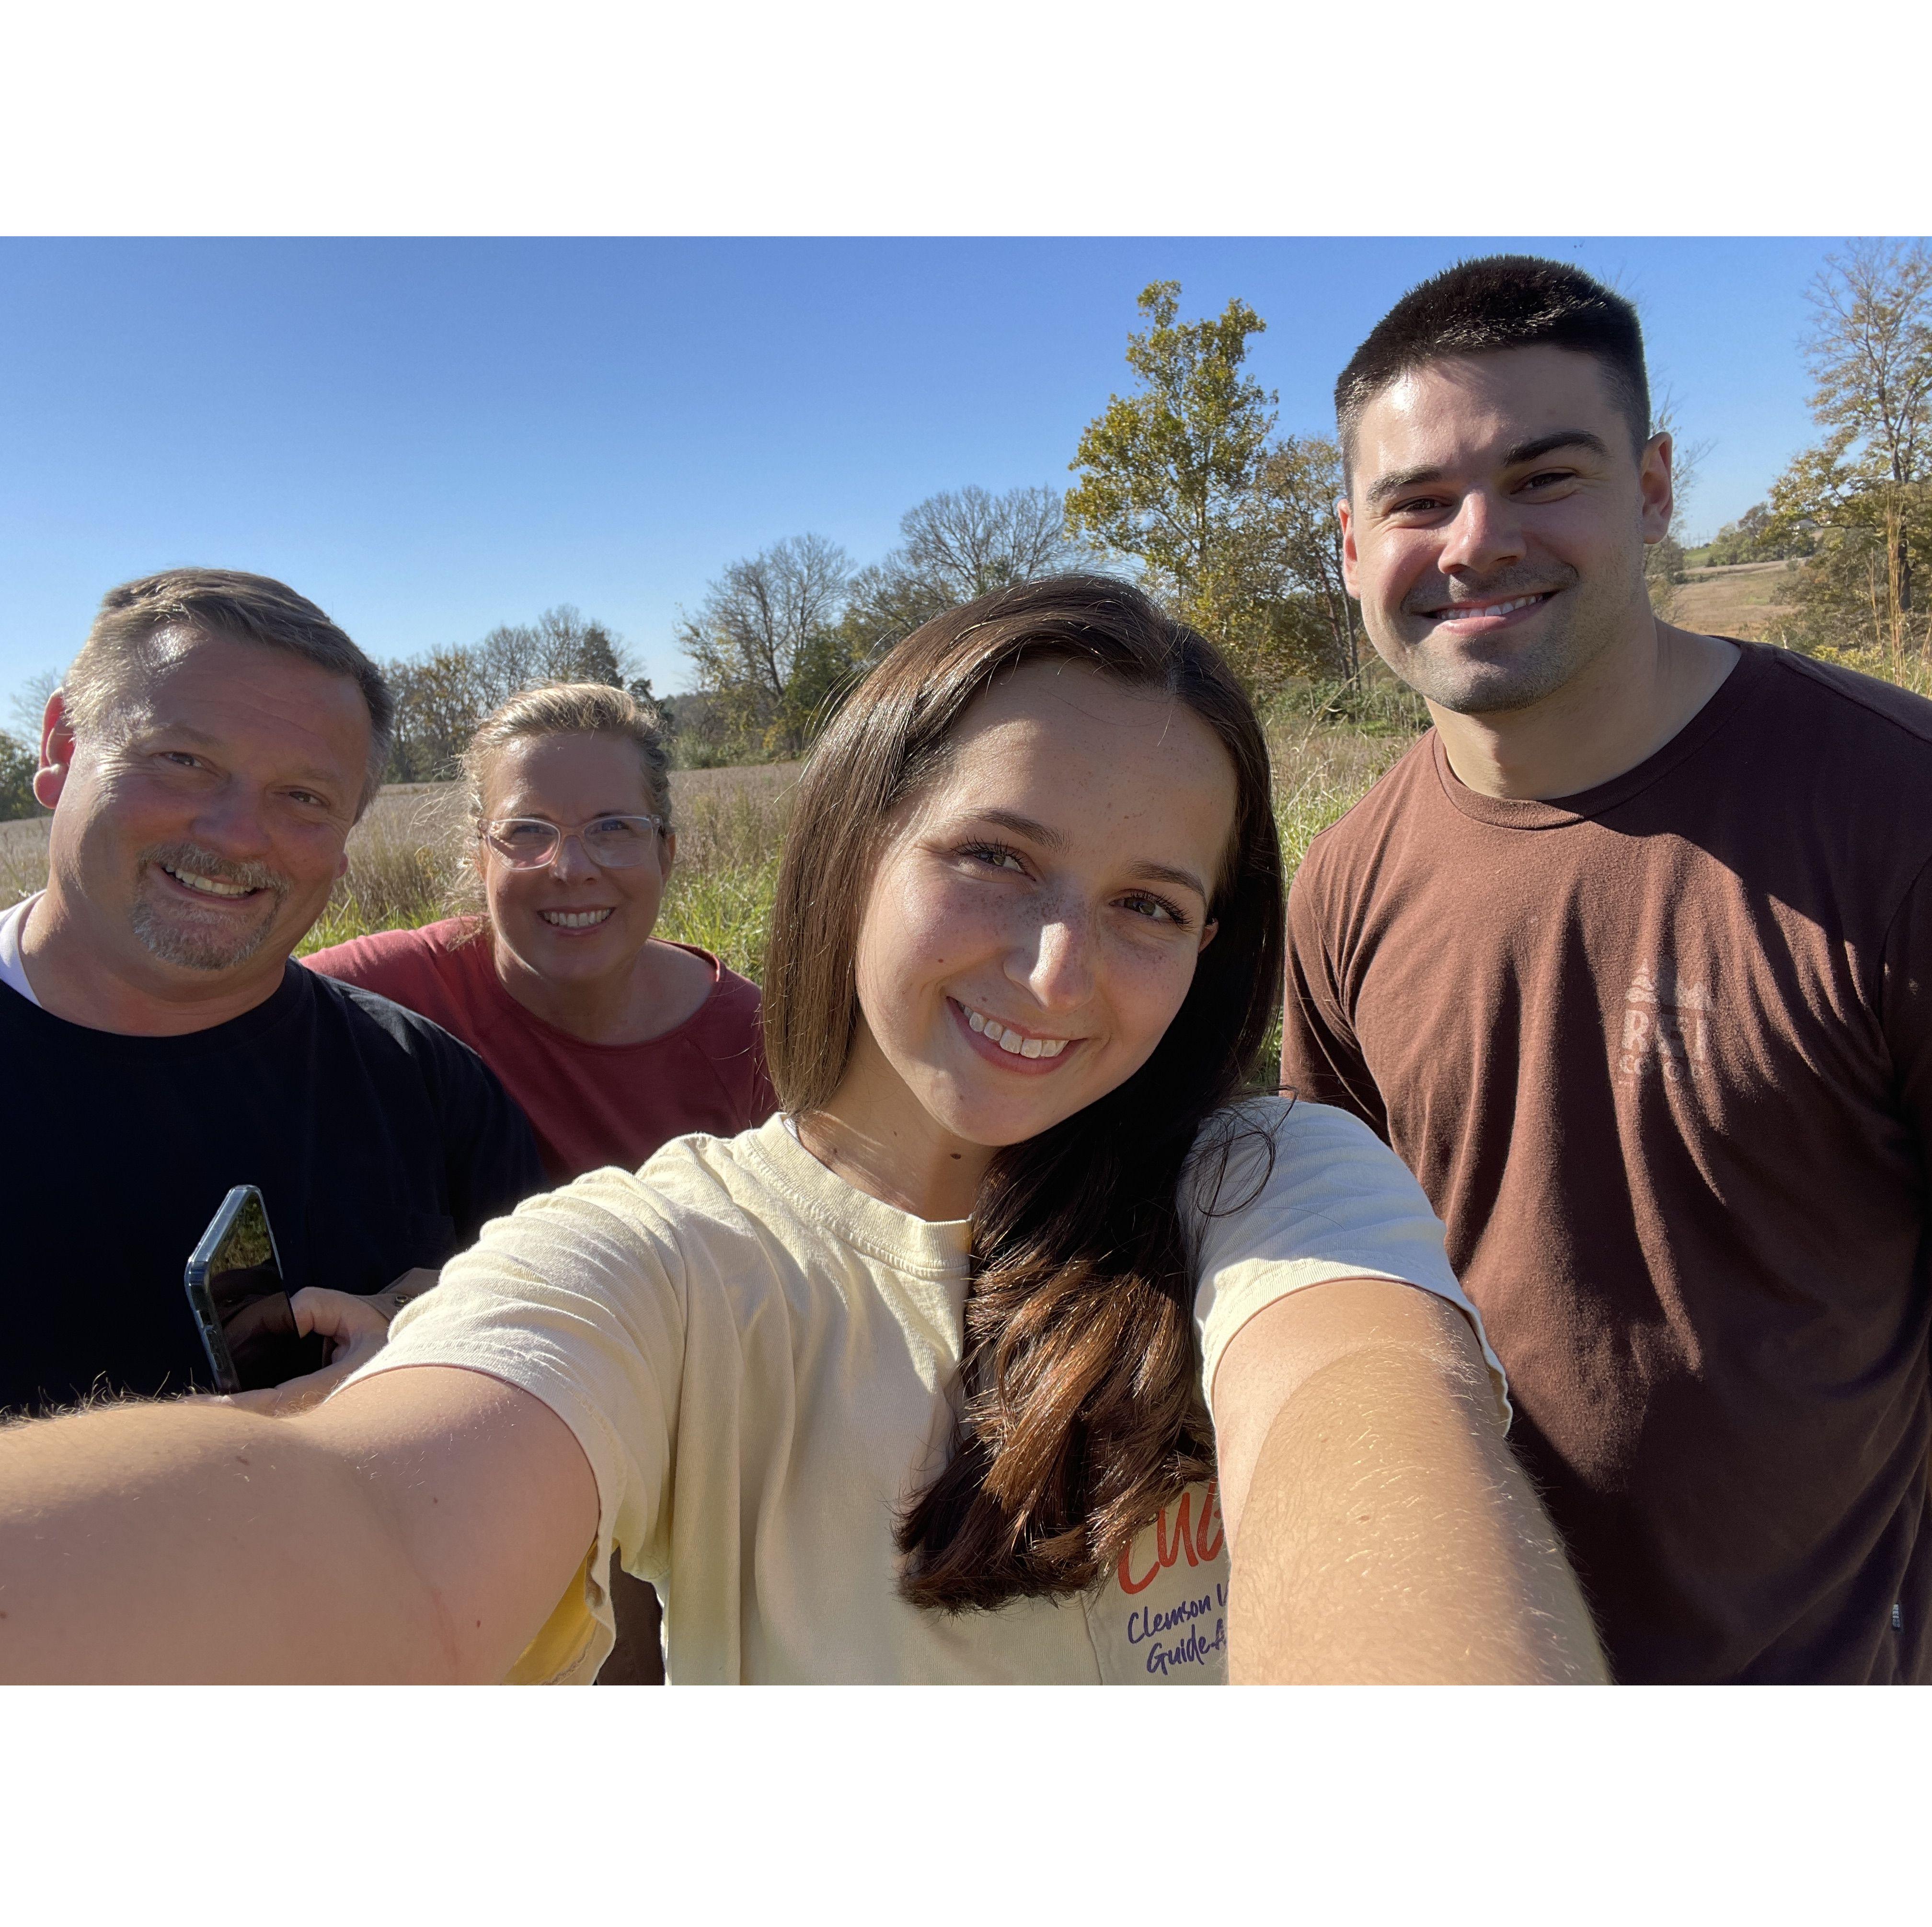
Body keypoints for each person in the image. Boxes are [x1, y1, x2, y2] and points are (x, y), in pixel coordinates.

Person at [0, 577, 1603, 1685]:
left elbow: (1371, 1420)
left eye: (1149, 904)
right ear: (854, 852)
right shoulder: (670, 1257)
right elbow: (375, 1535)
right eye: (993, 855)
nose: (1056, 966)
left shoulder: (1270, 1185)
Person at [1279, 254, 1932, 1685]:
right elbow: (1344, 1275)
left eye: (1544, 475)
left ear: (1651, 490)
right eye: (1415, 502)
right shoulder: (1343, 885)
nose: (1475, 541)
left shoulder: (1892, 814)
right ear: (1347, 545)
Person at [305, 681, 775, 1683]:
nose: (573, 868)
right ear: (476, 853)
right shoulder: (378, 995)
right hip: (455, 1462)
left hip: (680, 1476)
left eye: (614, 828)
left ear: (667, 850)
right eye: (528, 833)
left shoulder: (760, 1047)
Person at [0, 568, 545, 1418]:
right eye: (183, 760)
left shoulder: (430, 1092)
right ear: (62, 749)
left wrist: (430, 1336)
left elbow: (548, 1367)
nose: (237, 835)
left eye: (303, 797)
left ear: (347, 838)